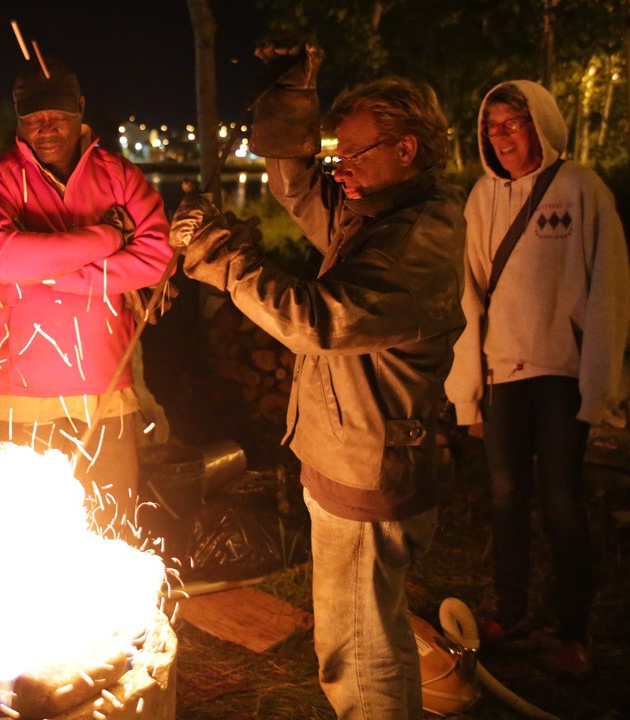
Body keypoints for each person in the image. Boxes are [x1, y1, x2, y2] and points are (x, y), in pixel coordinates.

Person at [170, 40, 464, 719]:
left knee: (357, 651)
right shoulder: (378, 214)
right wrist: (287, 98)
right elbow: (297, 186)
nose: (342, 168)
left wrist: (220, 256)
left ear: (407, 149)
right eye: (339, 150)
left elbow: (317, 321)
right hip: (351, 457)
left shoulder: (413, 241)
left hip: (369, 470)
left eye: (355, 153)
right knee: (369, 634)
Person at [444, 80, 630, 678]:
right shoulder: (480, 196)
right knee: (505, 498)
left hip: (561, 373)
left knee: (561, 503)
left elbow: (609, 291)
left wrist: (597, 382)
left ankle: (573, 630)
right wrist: (466, 393)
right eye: (491, 126)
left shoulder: (582, 190)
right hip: (503, 373)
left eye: (513, 123)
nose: (500, 136)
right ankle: (513, 610)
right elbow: (467, 294)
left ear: (541, 124)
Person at [0, 58, 173, 533]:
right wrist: (107, 237)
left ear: (80, 109)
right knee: (23, 529)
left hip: (105, 382)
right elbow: (5, 258)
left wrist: (65, 277)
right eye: (34, 118)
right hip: (18, 389)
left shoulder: (118, 175)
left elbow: (158, 257)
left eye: (57, 116)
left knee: (113, 523)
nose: (47, 128)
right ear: (19, 119)